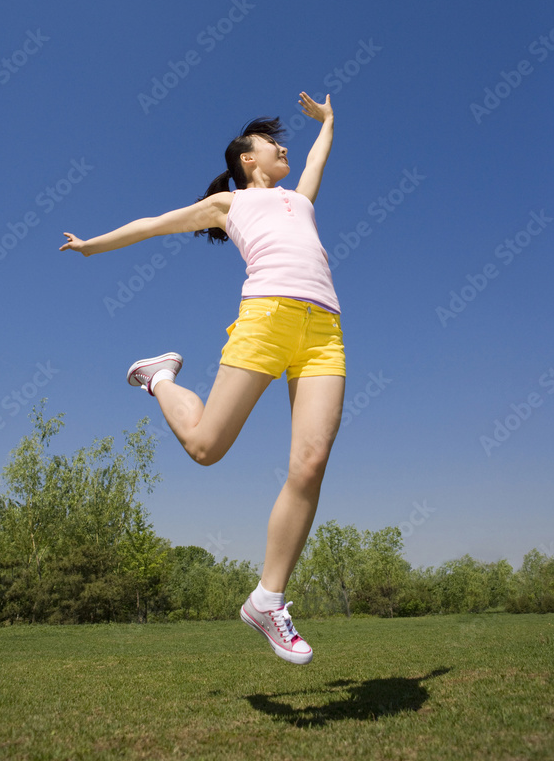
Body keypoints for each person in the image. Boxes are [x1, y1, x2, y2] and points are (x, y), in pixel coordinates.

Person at [60, 91, 345, 664]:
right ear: (247, 161)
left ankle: (269, 598)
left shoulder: (299, 202)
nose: (285, 148)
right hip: (266, 318)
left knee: (310, 463)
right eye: (272, 144)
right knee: (205, 447)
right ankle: (160, 376)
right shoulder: (229, 206)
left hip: (325, 331)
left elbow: (315, 162)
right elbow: (154, 224)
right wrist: (93, 245)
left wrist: (330, 122)